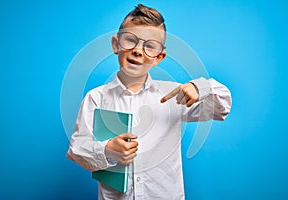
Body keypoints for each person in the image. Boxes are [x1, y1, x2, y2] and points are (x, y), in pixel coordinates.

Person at [67, 4, 232, 200]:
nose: (138, 51)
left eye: (149, 46)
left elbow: (222, 109)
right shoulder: (96, 98)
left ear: (159, 57)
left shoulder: (174, 95)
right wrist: (107, 149)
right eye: (130, 40)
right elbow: (76, 148)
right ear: (115, 44)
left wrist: (201, 87)